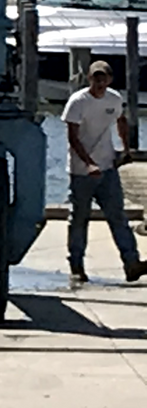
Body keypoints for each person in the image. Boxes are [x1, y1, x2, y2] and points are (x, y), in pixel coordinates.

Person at [64, 59, 147, 287]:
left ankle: (131, 263)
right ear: (89, 79)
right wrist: (88, 163)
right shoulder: (78, 102)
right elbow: (72, 137)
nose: (100, 82)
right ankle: (77, 266)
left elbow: (120, 120)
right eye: (96, 78)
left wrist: (126, 148)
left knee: (118, 216)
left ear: (110, 79)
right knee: (79, 219)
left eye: (104, 78)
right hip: (82, 172)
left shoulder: (114, 98)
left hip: (108, 168)